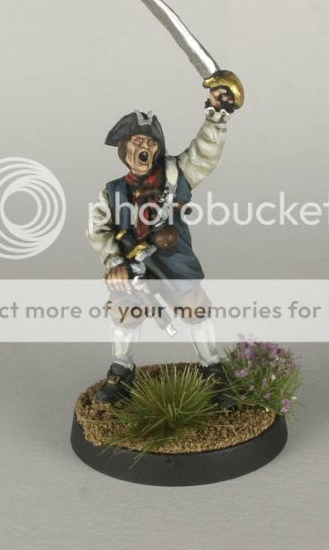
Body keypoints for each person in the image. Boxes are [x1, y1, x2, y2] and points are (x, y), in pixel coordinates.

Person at [87, 84, 240, 405]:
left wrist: (217, 116)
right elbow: (98, 228)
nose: (144, 148)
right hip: (132, 265)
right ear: (123, 148)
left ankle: (212, 369)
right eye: (137, 141)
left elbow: (204, 154)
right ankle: (122, 371)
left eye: (151, 142)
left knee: (195, 307)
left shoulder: (176, 174)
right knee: (124, 311)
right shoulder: (112, 192)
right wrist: (114, 262)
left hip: (172, 259)